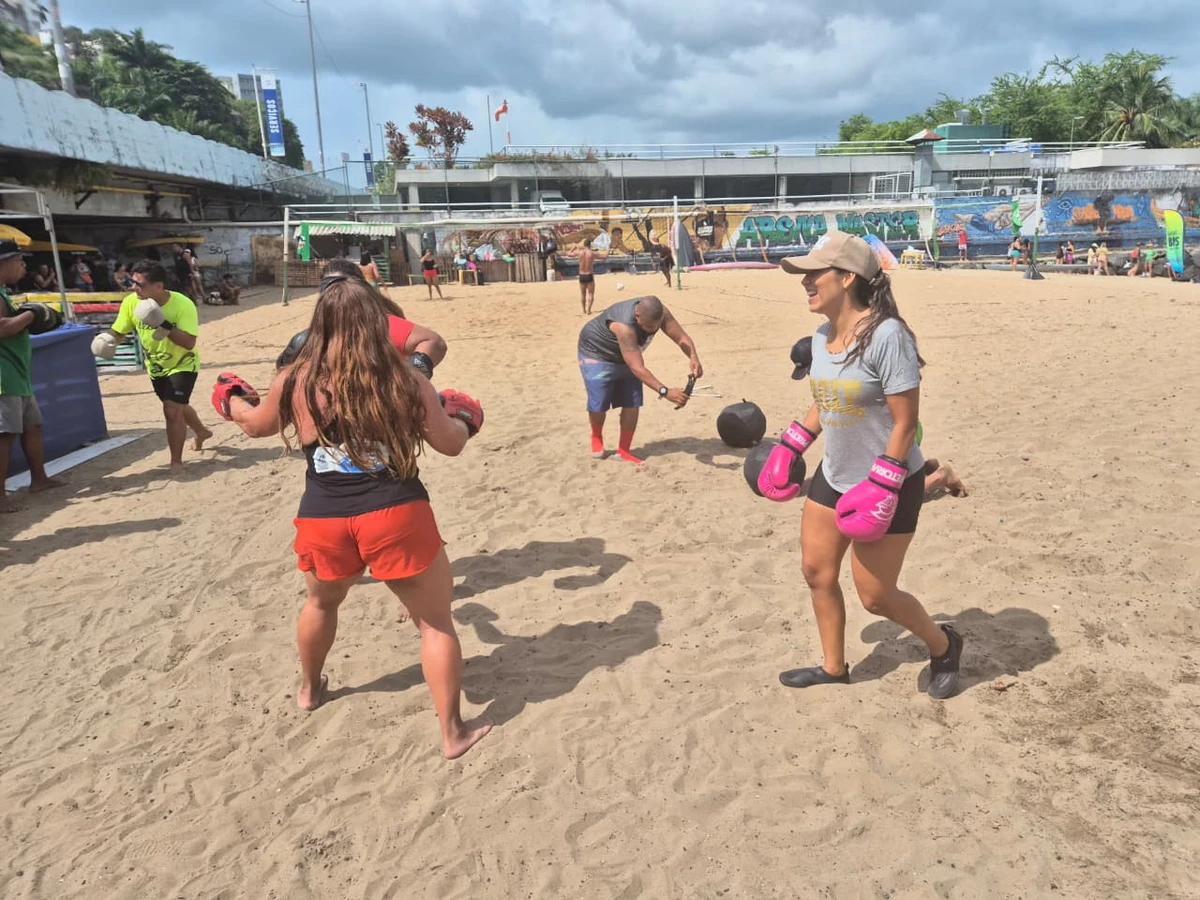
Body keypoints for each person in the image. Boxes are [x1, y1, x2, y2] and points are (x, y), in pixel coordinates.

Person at [220, 276, 492, 759]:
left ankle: (309, 689)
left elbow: (255, 426)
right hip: (396, 512)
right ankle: (452, 733)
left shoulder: (294, 379)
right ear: (377, 321)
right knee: (435, 623)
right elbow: (450, 443)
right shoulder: (405, 378)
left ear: (318, 325)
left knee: (321, 605)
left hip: (324, 516)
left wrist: (234, 397)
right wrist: (467, 417)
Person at [766, 231, 963, 699]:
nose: (806, 282)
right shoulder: (821, 337)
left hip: (888, 482)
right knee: (817, 572)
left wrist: (884, 481)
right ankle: (834, 668)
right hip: (834, 475)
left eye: (815, 273)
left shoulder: (887, 336)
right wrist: (793, 443)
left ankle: (943, 645)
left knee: (876, 597)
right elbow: (824, 398)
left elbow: (905, 420)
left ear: (848, 277)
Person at [790, 336, 967, 501]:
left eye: (809, 370)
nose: (810, 375)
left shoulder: (854, 374)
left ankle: (941, 476)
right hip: (876, 435)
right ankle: (924, 468)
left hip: (897, 433)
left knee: (887, 498)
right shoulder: (833, 378)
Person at [91, 261, 210, 475]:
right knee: (178, 405)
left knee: (172, 409)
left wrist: (163, 325)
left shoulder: (183, 304)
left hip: (184, 362)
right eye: (132, 282)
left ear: (158, 286)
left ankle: (176, 463)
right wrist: (108, 340)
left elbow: (189, 342)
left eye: (140, 284)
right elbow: (120, 330)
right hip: (156, 366)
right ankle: (200, 432)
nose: (134, 288)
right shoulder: (130, 303)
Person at [576, 295, 702, 464]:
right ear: (637, 316)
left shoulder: (660, 312)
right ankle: (597, 436)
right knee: (599, 402)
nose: (652, 330)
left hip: (629, 353)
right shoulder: (624, 327)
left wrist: (693, 357)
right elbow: (637, 368)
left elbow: (681, 337)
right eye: (648, 326)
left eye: (656, 326)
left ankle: (623, 451)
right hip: (596, 353)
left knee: (633, 400)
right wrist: (665, 392)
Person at [276, 259, 447, 376]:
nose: (337, 294)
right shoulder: (311, 338)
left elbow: (434, 343)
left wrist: (409, 380)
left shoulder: (379, 324)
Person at [0, 240, 68, 511]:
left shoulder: (3, 292)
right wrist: (31, 315)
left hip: (17, 372)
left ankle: (39, 479)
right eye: (19, 261)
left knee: (33, 426)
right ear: (4, 262)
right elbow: (2, 328)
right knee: (5, 435)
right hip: (3, 377)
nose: (23, 266)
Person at [577, 238, 606, 315]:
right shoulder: (592, 253)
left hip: (581, 275)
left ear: (584, 245)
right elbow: (604, 257)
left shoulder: (579, 252)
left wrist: (574, 247)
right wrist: (608, 249)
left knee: (583, 294)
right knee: (591, 294)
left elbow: (569, 254)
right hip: (589, 275)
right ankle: (589, 310)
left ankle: (583, 310)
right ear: (590, 245)